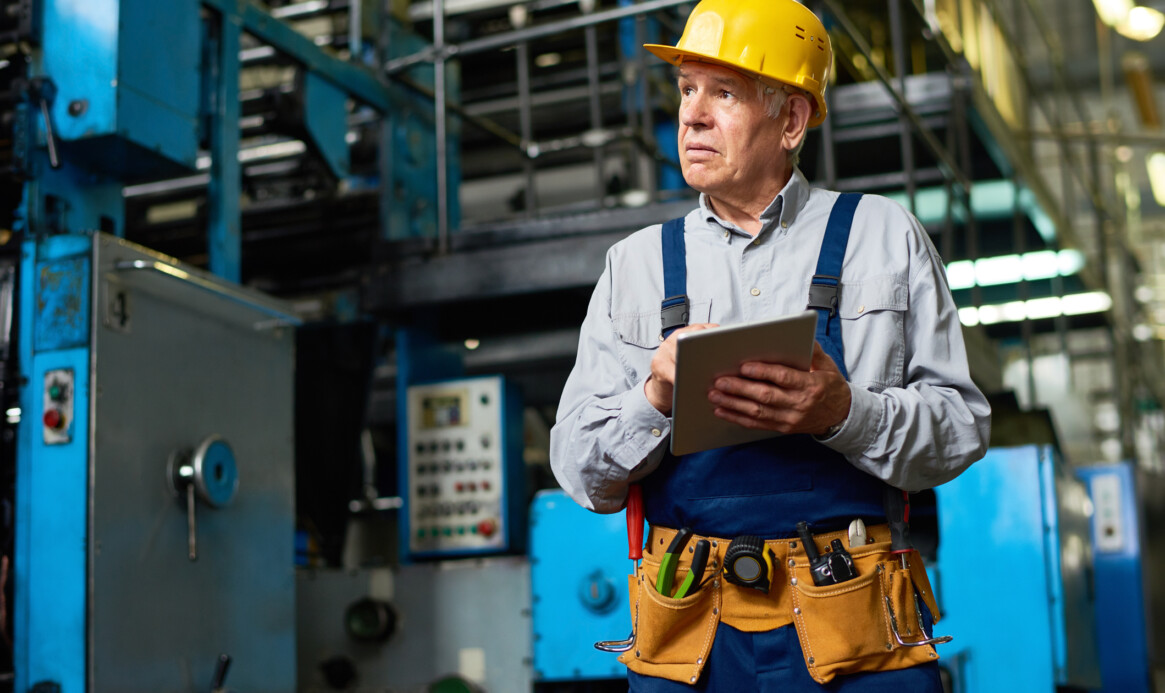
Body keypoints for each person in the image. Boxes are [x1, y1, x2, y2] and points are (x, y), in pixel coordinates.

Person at [549, 0, 991, 690]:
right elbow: (580, 472)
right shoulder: (632, 265)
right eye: (686, 90)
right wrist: (654, 398)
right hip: (687, 627)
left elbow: (960, 428)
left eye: (721, 93)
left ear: (791, 120)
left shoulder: (883, 236)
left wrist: (844, 413)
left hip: (852, 625)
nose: (691, 115)